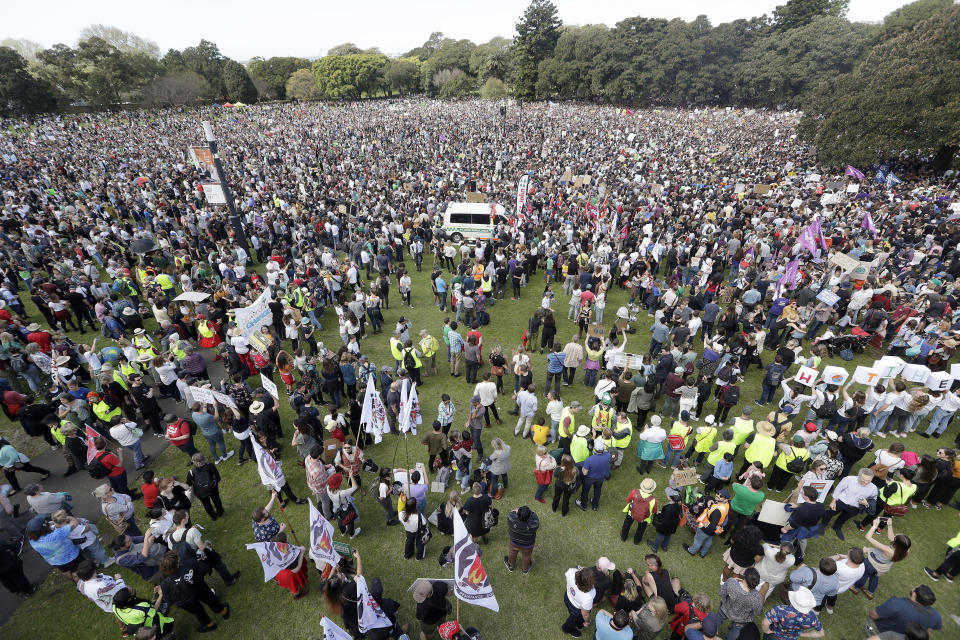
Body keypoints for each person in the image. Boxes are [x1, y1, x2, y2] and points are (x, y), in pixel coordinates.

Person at [157, 550, 230, 634]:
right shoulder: (189, 564)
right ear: (177, 563)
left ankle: (210, 625)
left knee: (198, 612)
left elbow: (169, 601)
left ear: (164, 570)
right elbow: (205, 568)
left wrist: (161, 593)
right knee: (211, 600)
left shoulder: (165, 584)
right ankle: (224, 611)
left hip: (186, 601)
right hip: (200, 589)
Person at [852, 518, 910, 599]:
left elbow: (868, 537)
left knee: (864, 575)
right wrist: (889, 525)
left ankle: (855, 587)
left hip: (871, 564)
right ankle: (870, 592)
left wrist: (874, 526)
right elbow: (891, 537)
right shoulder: (906, 551)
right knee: (874, 577)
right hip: (883, 567)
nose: (894, 536)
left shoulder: (887, 550)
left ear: (895, 543)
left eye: (896, 537)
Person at [820, 468, 878, 540]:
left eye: (869, 480)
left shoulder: (873, 488)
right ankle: (823, 524)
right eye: (864, 479)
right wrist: (833, 501)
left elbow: (873, 499)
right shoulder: (849, 479)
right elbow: (838, 489)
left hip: (855, 508)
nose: (866, 482)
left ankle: (837, 527)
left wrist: (866, 503)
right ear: (859, 476)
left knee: (844, 518)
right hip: (841, 502)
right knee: (831, 513)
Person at [867, 585, 942, 637]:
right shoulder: (937, 616)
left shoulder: (896, 603)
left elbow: (873, 615)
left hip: (881, 633)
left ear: (914, 594)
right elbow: (928, 631)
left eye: (915, 587)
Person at [111, 586, 175, 638]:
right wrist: (161, 595)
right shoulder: (141, 608)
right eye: (132, 590)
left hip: (142, 633)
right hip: (155, 627)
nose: (133, 587)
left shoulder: (115, 607)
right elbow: (155, 609)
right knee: (168, 635)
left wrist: (155, 594)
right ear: (129, 599)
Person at [683, 489, 730, 558]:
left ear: (725, 500)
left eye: (721, 496)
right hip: (714, 531)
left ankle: (691, 551)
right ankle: (703, 553)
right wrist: (712, 502)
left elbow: (712, 526)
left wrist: (705, 525)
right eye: (718, 493)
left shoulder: (717, 512)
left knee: (698, 540)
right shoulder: (726, 505)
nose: (718, 495)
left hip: (706, 530)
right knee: (708, 540)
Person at [186, 453, 224, 521]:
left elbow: (188, 484)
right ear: (204, 459)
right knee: (216, 500)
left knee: (206, 504)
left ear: (194, 462)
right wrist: (214, 483)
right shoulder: (210, 466)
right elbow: (218, 477)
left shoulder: (191, 472)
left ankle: (213, 516)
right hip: (213, 488)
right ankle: (220, 512)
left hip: (200, 493)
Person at [621, 477, 658, 545]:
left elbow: (628, 500)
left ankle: (623, 537)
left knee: (627, 524)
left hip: (631, 512)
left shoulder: (634, 492)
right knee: (641, 529)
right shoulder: (653, 500)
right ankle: (636, 541)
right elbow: (654, 511)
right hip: (644, 518)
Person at [561, 565, 596, 638]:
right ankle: (567, 629)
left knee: (578, 619)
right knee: (573, 620)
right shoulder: (589, 595)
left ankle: (579, 624)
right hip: (576, 610)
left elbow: (574, 569)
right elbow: (585, 614)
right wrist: (587, 621)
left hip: (567, 598)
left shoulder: (570, 572)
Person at [577, 439, 611, 511]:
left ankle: (583, 505)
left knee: (585, 491)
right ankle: (595, 506)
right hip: (600, 477)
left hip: (589, 478)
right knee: (597, 490)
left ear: (594, 448)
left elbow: (585, 473)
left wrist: (583, 468)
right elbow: (607, 451)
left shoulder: (589, 460)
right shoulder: (608, 455)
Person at [504, 505, 539, 574]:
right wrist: (529, 514)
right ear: (529, 517)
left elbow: (512, 512)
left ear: (518, 514)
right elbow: (535, 517)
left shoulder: (511, 518)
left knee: (513, 551)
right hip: (528, 543)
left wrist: (517, 510)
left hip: (514, 541)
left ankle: (511, 566)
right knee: (527, 555)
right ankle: (525, 569)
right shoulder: (534, 523)